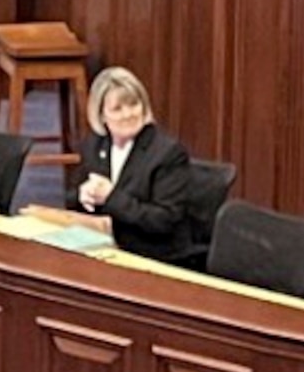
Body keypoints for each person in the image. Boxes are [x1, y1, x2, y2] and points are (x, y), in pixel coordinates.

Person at [61, 67, 216, 267]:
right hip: (108, 249)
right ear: (101, 115)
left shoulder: (167, 153)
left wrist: (110, 197)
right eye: (117, 109)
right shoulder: (94, 145)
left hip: (156, 256)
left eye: (134, 105)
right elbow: (71, 199)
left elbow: (163, 220)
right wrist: (83, 196)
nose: (128, 114)